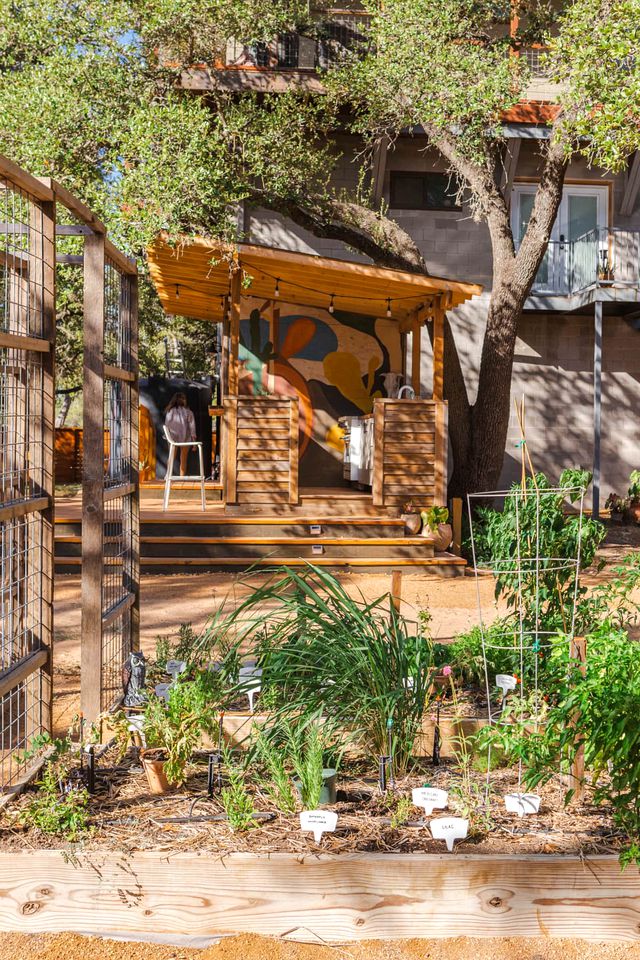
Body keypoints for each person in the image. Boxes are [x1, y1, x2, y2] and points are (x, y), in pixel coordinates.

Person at [164, 392, 197, 476]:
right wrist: (194, 443)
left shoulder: (169, 411)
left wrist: (167, 437)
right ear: (184, 400)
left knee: (171, 458)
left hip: (172, 438)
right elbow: (192, 428)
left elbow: (167, 425)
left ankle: (168, 476)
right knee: (183, 459)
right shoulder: (189, 412)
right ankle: (182, 478)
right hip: (185, 438)